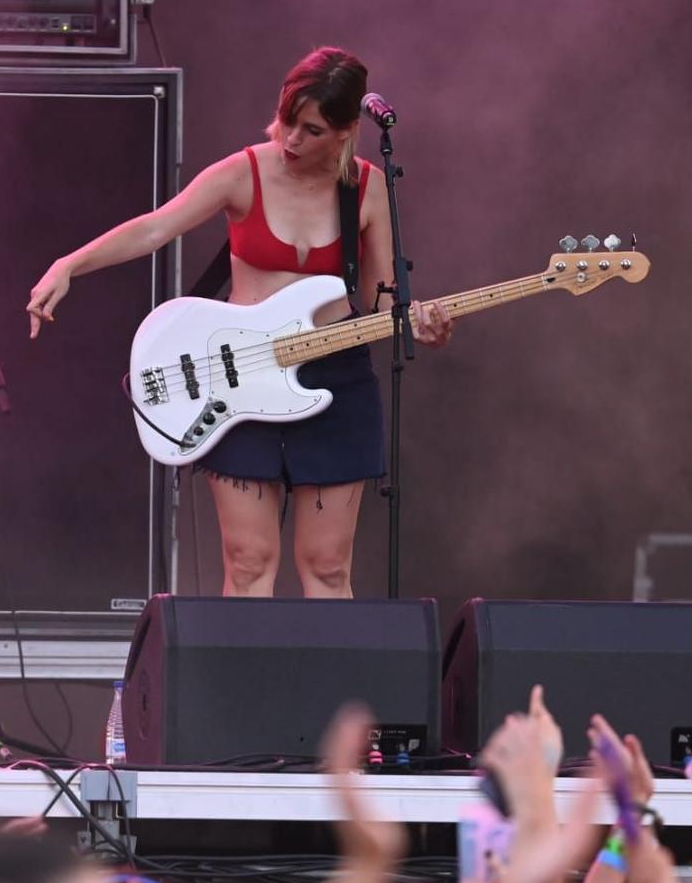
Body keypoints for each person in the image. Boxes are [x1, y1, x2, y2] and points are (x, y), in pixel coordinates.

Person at [27, 47, 454, 599]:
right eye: (286, 121)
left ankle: (332, 688)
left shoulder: (368, 188)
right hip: (243, 378)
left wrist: (420, 324)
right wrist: (70, 265)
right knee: (250, 561)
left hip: (336, 380)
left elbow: (378, 302)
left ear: (348, 130)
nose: (291, 140)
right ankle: (249, 686)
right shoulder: (244, 172)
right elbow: (156, 229)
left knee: (327, 567)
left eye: (311, 129)